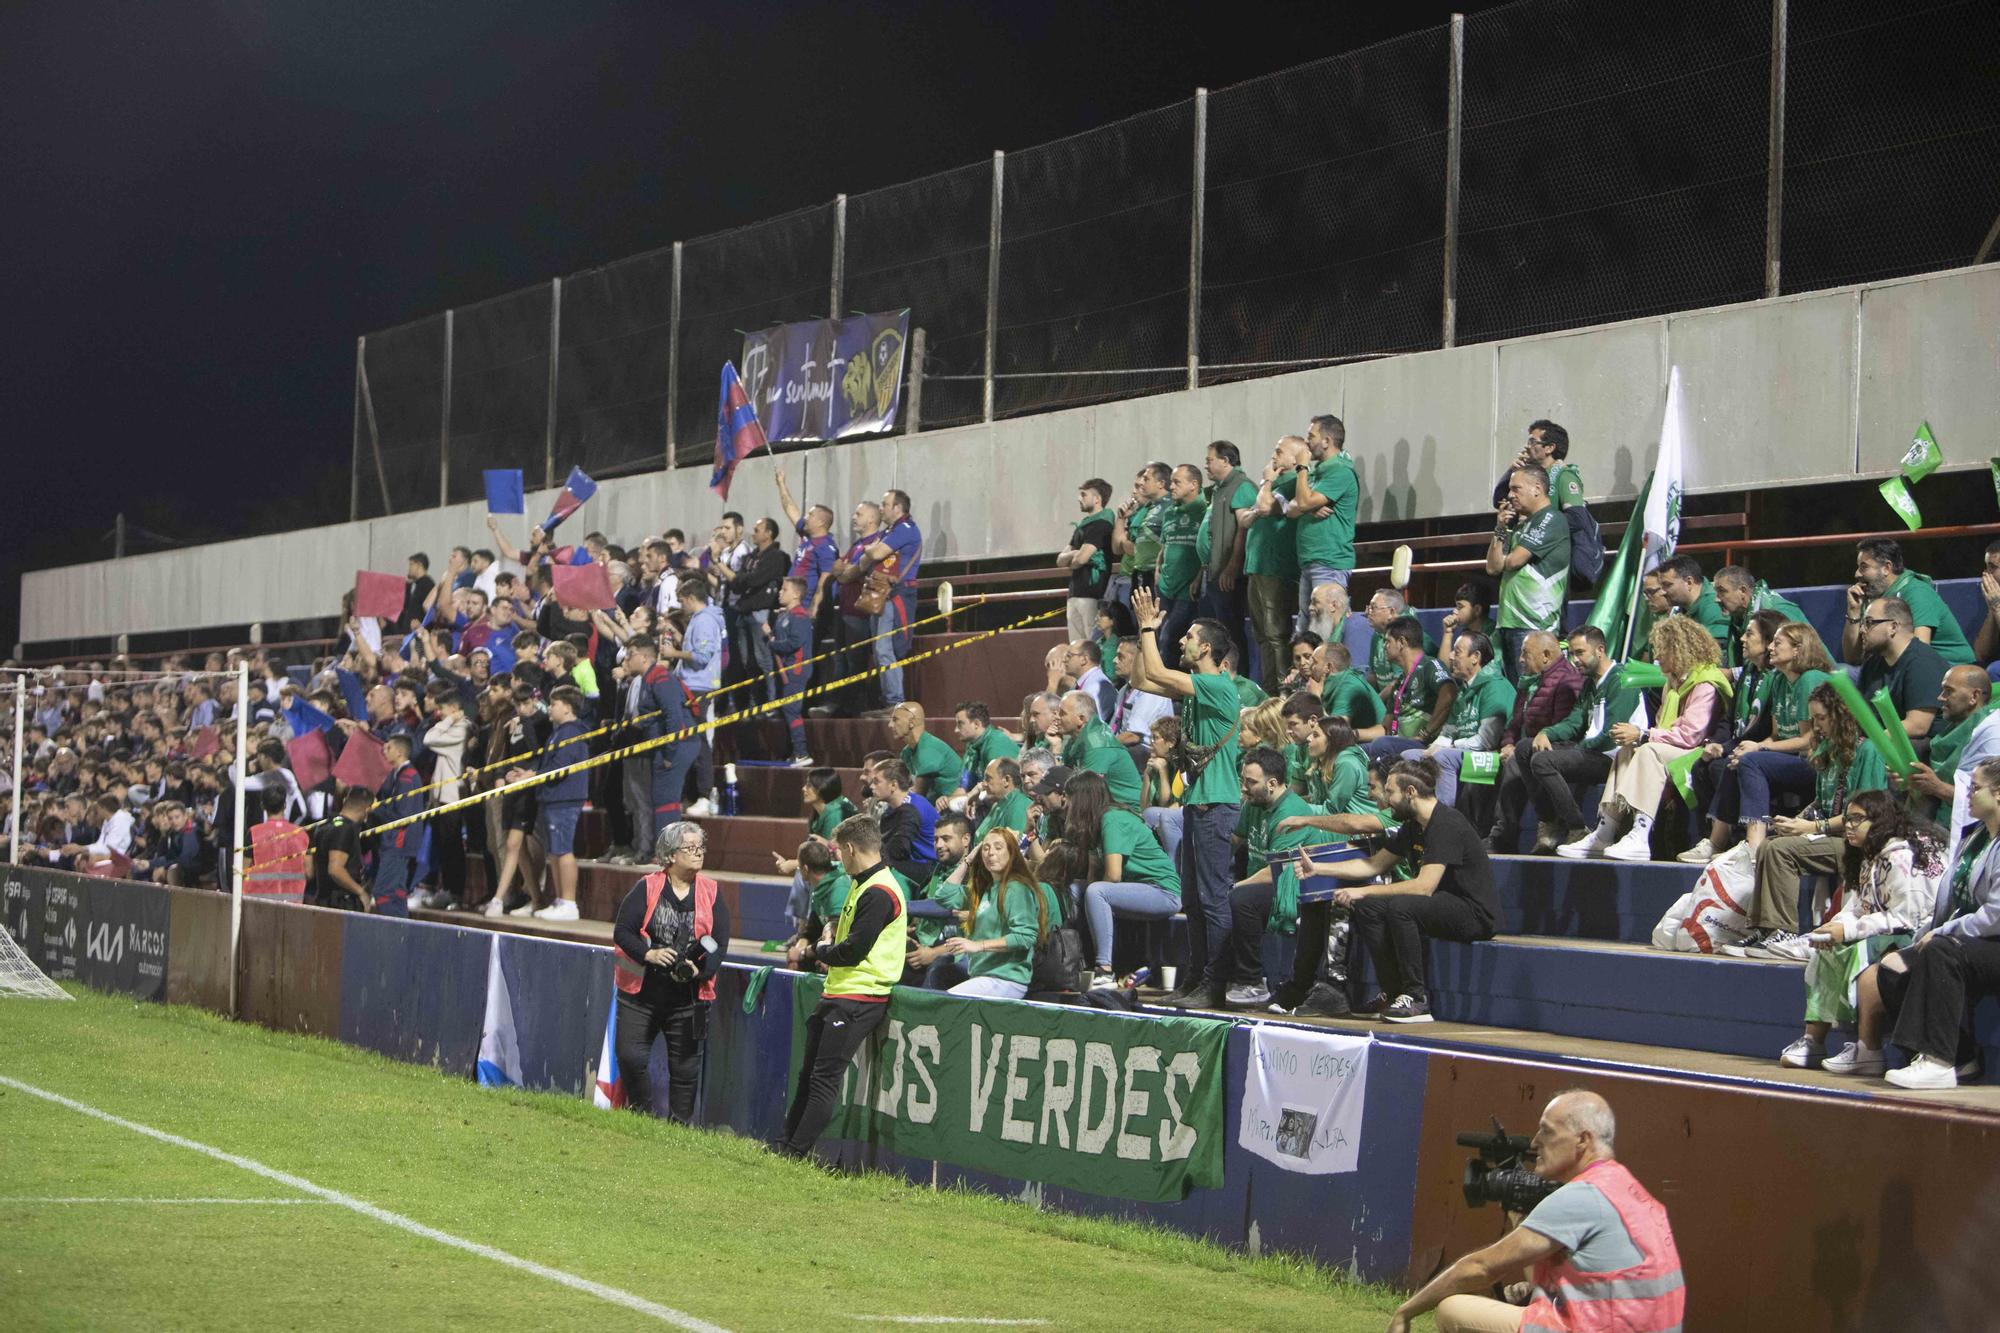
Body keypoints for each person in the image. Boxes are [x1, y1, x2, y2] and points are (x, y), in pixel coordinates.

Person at [1386, 1090, 1684, 1333]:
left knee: (1453, 1310)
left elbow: (1481, 1267)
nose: (1534, 1142)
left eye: (1546, 1132)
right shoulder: (1626, 1187)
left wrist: (1406, 1311)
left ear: (1583, 1140)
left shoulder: (1581, 1196)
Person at [1295, 757, 1498, 1023]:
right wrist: (1319, 869)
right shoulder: (1413, 826)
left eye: (1390, 791)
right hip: (1440, 905)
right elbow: (1372, 865)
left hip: (1473, 913)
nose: (1385, 798)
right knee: (1368, 908)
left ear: (1410, 792)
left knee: (1401, 906)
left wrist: (1364, 891)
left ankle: (1416, 999)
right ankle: (1393, 993)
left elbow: (1424, 887)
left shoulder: (1445, 824)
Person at [1127, 587, 1244, 1007]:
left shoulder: (1217, 685)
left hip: (1218, 805)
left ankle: (1216, 983)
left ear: (1207, 648)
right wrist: (1146, 635)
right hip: (1198, 802)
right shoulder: (1194, 686)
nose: (1182, 640)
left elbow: (1157, 673)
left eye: (1189, 636)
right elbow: (1143, 678)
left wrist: (1147, 627)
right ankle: (1195, 979)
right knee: (1192, 900)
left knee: (1213, 899)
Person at [1777, 790, 1944, 1070]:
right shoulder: (1867, 855)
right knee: (1826, 950)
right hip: (1882, 927)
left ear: (1879, 821)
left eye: (1857, 819)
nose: (1849, 826)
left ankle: (1867, 1049)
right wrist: (1835, 926)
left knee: (1858, 951)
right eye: (1848, 819)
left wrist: (1851, 931)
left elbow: (1907, 916)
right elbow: (1858, 905)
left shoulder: (1901, 856)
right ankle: (1813, 1041)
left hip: (1914, 933)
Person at [1865, 758, 2000, 1089]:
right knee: (1894, 967)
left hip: (1990, 941)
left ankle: (1938, 1060)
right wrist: (1924, 931)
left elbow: (1996, 914)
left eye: (1976, 787)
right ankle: (1961, 1057)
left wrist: (1941, 933)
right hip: (1971, 940)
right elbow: (1952, 900)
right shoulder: (1975, 839)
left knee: (1942, 950)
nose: (1967, 793)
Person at [1726, 681, 1885, 960]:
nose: (1816, 725)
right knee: (1770, 844)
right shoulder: (1829, 751)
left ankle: (1783, 928)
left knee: (1780, 850)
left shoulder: (1867, 751)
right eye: (1812, 719)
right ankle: (1765, 930)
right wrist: (1796, 821)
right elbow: (1822, 802)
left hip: (1857, 843)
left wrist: (1813, 827)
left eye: (1821, 718)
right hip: (1829, 835)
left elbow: (1864, 814)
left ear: (1842, 715)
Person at [780, 814, 908, 1157]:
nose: (838, 859)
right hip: (840, 991)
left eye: (839, 852)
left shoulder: (880, 891)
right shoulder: (862, 883)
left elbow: (853, 950)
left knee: (824, 1078)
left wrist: (819, 950)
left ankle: (795, 1152)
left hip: (860, 996)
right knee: (809, 1074)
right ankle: (785, 1144)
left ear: (851, 848)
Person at [1559, 616, 1731, 863]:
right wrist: (1641, 738)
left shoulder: (1706, 683)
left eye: (1662, 650)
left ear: (1680, 649)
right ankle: (1605, 831)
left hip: (1696, 753)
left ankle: (1640, 834)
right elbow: (1664, 726)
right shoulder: (1672, 683)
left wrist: (1644, 734)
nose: (1656, 656)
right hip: (1673, 748)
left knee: (1649, 751)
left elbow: (1690, 735)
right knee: (1626, 751)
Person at [610, 821, 732, 1123]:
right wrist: (648, 953)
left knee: (686, 1069)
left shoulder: (712, 891)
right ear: (670, 855)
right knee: (630, 1057)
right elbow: (623, 931)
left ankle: (679, 1129)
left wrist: (698, 970)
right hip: (641, 994)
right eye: (690, 848)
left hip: (688, 998)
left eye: (700, 847)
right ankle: (643, 1118)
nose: (698, 853)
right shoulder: (648, 887)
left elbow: (719, 943)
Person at [1697, 620, 1834, 860]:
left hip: (1818, 762)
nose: (1771, 647)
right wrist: (1754, 748)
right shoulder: (1779, 680)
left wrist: (1759, 747)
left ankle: (1754, 847)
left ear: (1798, 649)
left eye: (1778, 643)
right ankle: (1716, 842)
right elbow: (1776, 734)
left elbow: (1809, 740)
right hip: (1789, 756)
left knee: (1751, 760)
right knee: (1737, 758)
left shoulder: (1810, 680)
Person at [1217, 746, 1323, 1008]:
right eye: (1243, 781)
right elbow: (1235, 840)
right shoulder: (1255, 803)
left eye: (1250, 782)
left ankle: (1253, 982)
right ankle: (1216, 979)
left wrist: (1233, 886)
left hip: (1291, 887)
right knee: (1213, 897)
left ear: (1272, 784)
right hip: (1261, 882)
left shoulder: (1291, 815)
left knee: (1242, 899)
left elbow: (1275, 871)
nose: (1244, 788)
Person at [919, 827, 1060, 1000]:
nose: (990, 853)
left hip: (1005, 980)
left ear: (1012, 853)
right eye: (986, 848)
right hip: (982, 977)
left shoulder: (1017, 888)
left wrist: (979, 945)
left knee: (943, 1004)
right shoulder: (985, 890)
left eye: (998, 847)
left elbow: (1026, 936)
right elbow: (944, 895)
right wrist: (969, 859)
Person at [1483, 630, 1582, 847]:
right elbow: (1516, 721)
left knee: (1515, 762)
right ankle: (1480, 832)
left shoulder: (1568, 680)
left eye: (1525, 654)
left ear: (1546, 655)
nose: (1520, 659)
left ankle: (1504, 836)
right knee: (1485, 768)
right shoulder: (1529, 681)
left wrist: (1522, 746)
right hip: (1527, 746)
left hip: (1556, 747)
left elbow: (1567, 728)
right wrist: (1507, 742)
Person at [1403, 630, 1515, 811]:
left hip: (1494, 759)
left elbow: (1486, 741)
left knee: (1443, 757)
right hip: (1462, 754)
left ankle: (1444, 819)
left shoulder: (1496, 686)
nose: (1450, 656)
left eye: (1457, 652)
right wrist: (1431, 750)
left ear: (1475, 657)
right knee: (1410, 756)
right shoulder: (1462, 692)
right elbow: (1447, 733)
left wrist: (1448, 748)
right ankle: (1416, 820)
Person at [506, 684, 589, 921]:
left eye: (554, 704)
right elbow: (548, 766)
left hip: (565, 798)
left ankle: (569, 902)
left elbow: (560, 768)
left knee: (563, 851)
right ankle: (561, 900)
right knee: (554, 852)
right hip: (553, 798)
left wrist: (532, 776)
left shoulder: (571, 732)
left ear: (567, 707)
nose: (549, 708)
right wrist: (527, 773)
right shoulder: (559, 731)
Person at [1485, 464, 1571, 682]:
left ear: (1537, 488)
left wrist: (1505, 559)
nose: (1510, 495)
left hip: (1534, 625)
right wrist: (1500, 529)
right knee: (1518, 694)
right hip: (1509, 622)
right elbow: (1493, 567)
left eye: (1516, 489)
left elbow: (1513, 561)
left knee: (1533, 690)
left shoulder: (1551, 518)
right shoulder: (1523, 525)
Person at [1841, 537, 1975, 668]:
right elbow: (1853, 658)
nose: (1857, 574)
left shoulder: (1917, 592)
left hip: (1952, 671)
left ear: (1887, 568)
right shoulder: (1872, 595)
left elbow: (1919, 653)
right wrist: (1854, 611)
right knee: (1845, 673)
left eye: (1864, 567)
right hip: (1902, 667)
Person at [1246, 436, 1307, 694]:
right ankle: (1269, 690)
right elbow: (1246, 519)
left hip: (1276, 568)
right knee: (1261, 635)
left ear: (1295, 458)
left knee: (1276, 634)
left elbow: (1262, 506)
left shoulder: (1294, 482)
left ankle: (1284, 692)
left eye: (1279, 451)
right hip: (1256, 567)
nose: (1274, 455)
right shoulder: (1277, 484)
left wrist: (1266, 480)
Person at [857, 488, 923, 711]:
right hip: (882, 594)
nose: (880, 508)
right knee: (879, 650)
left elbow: (874, 555)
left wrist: (869, 549)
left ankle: (896, 702)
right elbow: (868, 558)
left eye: (885, 504)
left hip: (895, 595)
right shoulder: (891, 530)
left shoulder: (905, 529)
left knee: (886, 649)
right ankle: (890, 701)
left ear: (897, 508)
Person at [1195, 440, 1258, 671]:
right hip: (1214, 573)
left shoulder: (1242, 486)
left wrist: (1233, 566)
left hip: (1229, 576)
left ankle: (1238, 678)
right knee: (1216, 632)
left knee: (1231, 632)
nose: (1206, 465)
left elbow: (1244, 529)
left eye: (1210, 460)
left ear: (1226, 460)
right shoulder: (1220, 489)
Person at [1290, 414, 1359, 620]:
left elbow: (1301, 502)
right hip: (1310, 561)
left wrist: (1302, 467)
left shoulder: (1340, 471)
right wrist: (1310, 507)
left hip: (1330, 563)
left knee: (1325, 628)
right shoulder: (1318, 472)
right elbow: (1292, 508)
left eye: (1311, 436)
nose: (1306, 442)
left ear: (1327, 441)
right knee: (1307, 631)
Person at [1853, 595, 1950, 743]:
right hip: (1884, 740)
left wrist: (1871, 742)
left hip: (1919, 746)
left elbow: (1917, 726)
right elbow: (1861, 714)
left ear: (1893, 627)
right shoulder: (1872, 662)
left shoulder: (1923, 662)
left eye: (1869, 623)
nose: (1862, 630)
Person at [1361, 616, 1457, 764]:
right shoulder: (1400, 682)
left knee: (1383, 745)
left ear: (1401, 643)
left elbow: (1449, 694)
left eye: (1387, 641)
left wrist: (1425, 733)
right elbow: (1385, 729)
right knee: (1353, 752)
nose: (1384, 646)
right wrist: (1353, 734)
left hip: (1423, 745)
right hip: (1396, 742)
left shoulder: (1430, 666)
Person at [366, 734, 428, 918]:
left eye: (389, 748)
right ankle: (403, 929)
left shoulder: (408, 777)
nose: (384, 751)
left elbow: (403, 815)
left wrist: (375, 810)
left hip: (398, 843)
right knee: (397, 892)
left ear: (400, 752)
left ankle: (394, 930)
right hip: (395, 842)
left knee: (383, 892)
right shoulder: (397, 775)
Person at [1153, 464, 1207, 670]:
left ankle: (1168, 691)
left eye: (1177, 482)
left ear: (1194, 485)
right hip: (1166, 587)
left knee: (1170, 636)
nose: (1171, 487)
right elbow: (1165, 545)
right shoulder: (1170, 513)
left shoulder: (1204, 510)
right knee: (1161, 636)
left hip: (1188, 589)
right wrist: (1158, 567)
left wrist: (1199, 575)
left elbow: (1207, 547)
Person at [1053, 689, 1144, 808]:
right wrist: (1056, 747)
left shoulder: (1097, 744)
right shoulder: (1077, 738)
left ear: (1081, 719)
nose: (1056, 717)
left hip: (1127, 810)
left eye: (1062, 713)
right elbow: (1061, 778)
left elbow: (1086, 793)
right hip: (1105, 806)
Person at [764, 576, 815, 765]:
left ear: (796, 594)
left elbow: (795, 642)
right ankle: (794, 751)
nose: (780, 592)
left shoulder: (800, 616)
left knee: (792, 709)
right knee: (787, 710)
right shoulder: (785, 615)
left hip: (796, 669)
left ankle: (802, 752)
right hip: (785, 669)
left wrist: (774, 644)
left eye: (784, 589)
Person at [1712, 563, 1805, 668]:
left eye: (1722, 591)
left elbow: (1806, 657)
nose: (1716, 599)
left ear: (1742, 591)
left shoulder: (1778, 611)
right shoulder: (1738, 617)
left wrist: (1733, 674)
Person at [1056, 478, 1115, 640]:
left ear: (1097, 499)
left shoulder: (1103, 523)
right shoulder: (1083, 525)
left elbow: (1081, 559)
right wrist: (1075, 555)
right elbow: (1060, 560)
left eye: (1084, 494)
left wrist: (1075, 557)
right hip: (1075, 592)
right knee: (1076, 646)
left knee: (1093, 643)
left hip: (1092, 592)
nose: (1079, 498)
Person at [1107, 461, 1171, 608]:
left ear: (1160, 483)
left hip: (1154, 573)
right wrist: (1121, 519)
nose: (1137, 489)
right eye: (1137, 484)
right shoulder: (1142, 511)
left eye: (1145, 480)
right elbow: (1118, 548)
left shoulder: (1169, 505)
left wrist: (1129, 544)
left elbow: (1133, 549)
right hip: (1137, 575)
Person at [306, 787, 374, 912]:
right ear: (367, 809)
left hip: (324, 901)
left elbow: (309, 869)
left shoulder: (324, 826)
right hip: (340, 906)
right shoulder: (345, 829)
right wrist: (361, 892)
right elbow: (335, 869)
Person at [1107, 639, 1174, 759]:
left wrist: (1102, 746)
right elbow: (1114, 727)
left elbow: (1133, 736)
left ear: (1138, 659)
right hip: (1125, 748)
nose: (1114, 660)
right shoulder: (1124, 690)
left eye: (1120, 656)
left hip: (1147, 754)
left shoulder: (1151, 691)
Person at [1655, 554, 1731, 654]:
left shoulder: (1714, 606)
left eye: (1667, 585)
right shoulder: (1680, 609)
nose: (1662, 592)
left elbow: (1718, 657)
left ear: (1689, 582)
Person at [951, 700, 1021, 800]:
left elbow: (1002, 790)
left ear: (976, 724)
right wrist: (947, 800)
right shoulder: (972, 746)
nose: (956, 730)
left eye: (960, 724)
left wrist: (971, 798)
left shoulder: (996, 744)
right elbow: (963, 786)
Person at [889, 702, 958, 803]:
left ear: (911, 722)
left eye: (895, 720)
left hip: (952, 808)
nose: (890, 725)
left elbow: (917, 796)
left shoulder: (928, 750)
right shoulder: (906, 753)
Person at [1318, 641, 1384, 728]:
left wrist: (1316, 698)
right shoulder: (1336, 682)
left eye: (1314, 662)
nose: (1308, 665)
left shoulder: (1349, 686)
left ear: (1328, 667)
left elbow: (1336, 732)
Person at [972, 757, 1030, 840]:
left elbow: (1014, 849)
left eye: (988, 778)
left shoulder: (1019, 807)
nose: (984, 784)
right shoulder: (1000, 804)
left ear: (1006, 780)